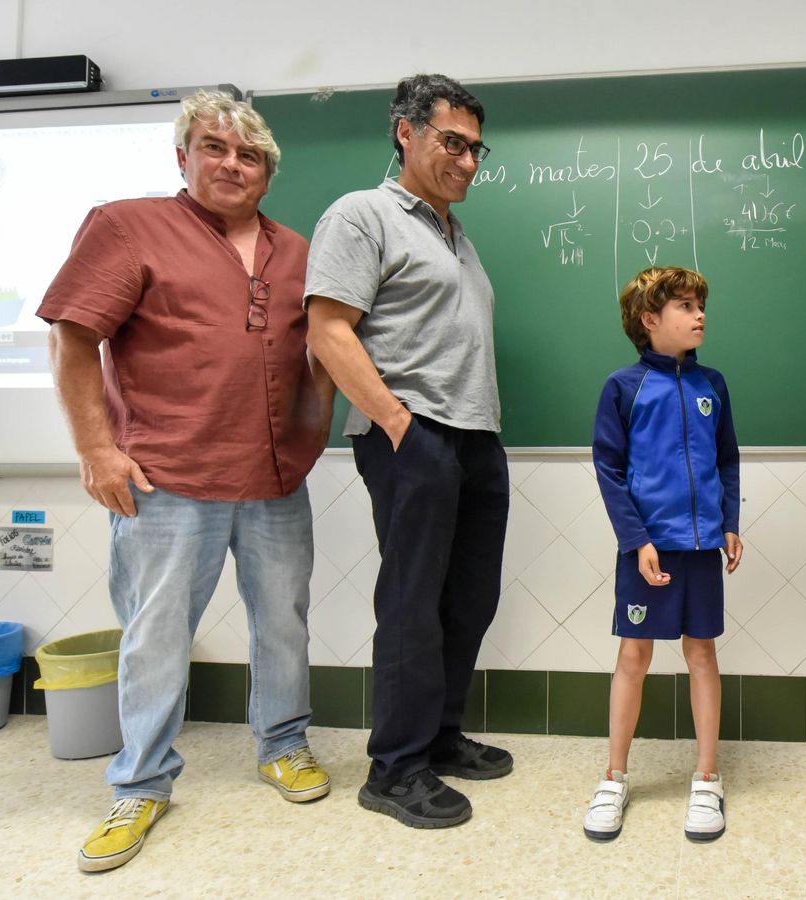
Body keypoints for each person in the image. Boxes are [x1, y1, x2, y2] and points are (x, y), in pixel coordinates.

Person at [40, 90, 334, 873]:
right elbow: (73, 341)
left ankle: (284, 744)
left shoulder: (295, 249)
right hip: (168, 477)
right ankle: (139, 783)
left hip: (276, 477)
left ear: (267, 168)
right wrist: (96, 451)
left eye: (248, 154)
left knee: (284, 621)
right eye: (214, 148)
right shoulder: (127, 226)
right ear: (183, 156)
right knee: (156, 636)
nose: (232, 164)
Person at [304, 73, 511, 830]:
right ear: (406, 132)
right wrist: (396, 424)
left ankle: (441, 738)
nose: (466, 160)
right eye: (451, 142)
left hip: (476, 436)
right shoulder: (364, 215)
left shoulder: (455, 233)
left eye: (475, 148)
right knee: (412, 604)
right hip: (413, 434)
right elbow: (327, 329)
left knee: (468, 600)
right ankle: (394, 769)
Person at [582, 266, 743, 844]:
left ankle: (707, 778)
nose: (699, 315)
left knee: (702, 652)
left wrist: (730, 522)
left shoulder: (714, 385)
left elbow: (727, 460)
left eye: (701, 304)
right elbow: (610, 469)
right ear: (650, 320)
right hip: (647, 548)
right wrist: (636, 539)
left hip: (701, 548)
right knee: (634, 657)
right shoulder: (624, 387)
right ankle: (613, 777)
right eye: (684, 306)